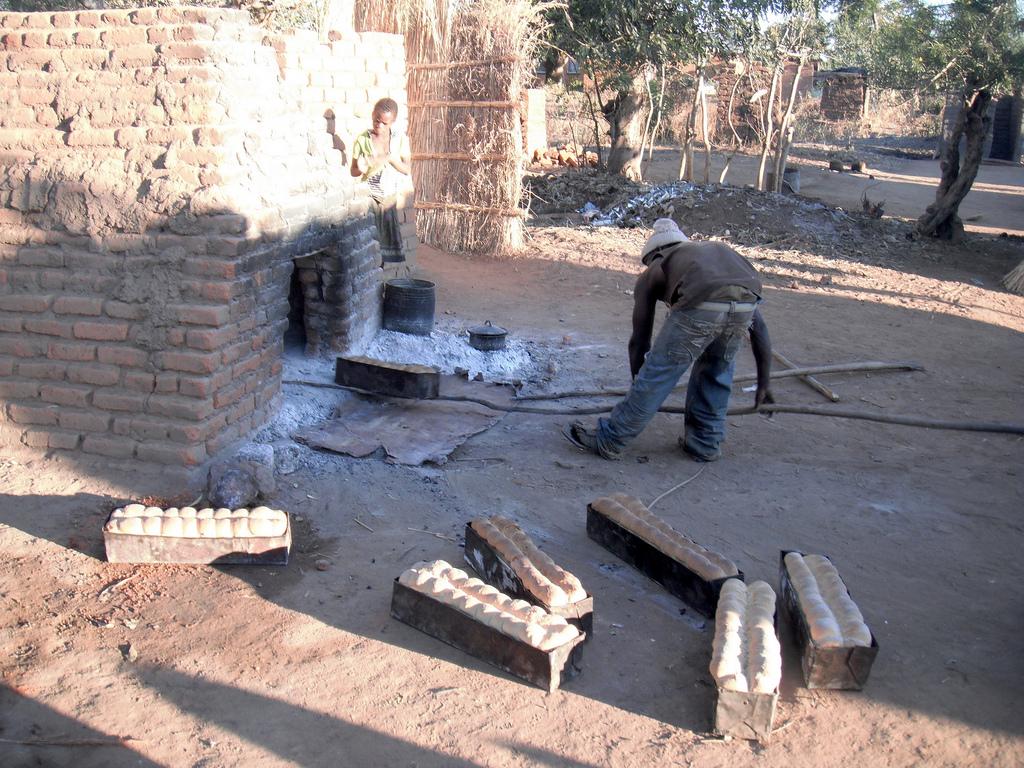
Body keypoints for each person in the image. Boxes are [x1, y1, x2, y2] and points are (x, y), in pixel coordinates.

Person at [563, 218, 774, 462]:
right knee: (717, 371)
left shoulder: (657, 266)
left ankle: (611, 439)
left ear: (655, 253)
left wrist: (640, 380)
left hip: (699, 307)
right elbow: (760, 330)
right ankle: (705, 443)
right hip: (745, 306)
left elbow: (640, 341)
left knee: (659, 371)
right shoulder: (708, 260)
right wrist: (764, 383)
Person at [351, 97, 412, 263]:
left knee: (384, 250)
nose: (379, 125)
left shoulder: (399, 139)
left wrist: (391, 159)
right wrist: (367, 163)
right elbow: (354, 171)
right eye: (376, 120)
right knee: (369, 246)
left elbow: (407, 169)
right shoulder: (363, 139)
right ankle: (371, 282)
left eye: (384, 123)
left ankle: (379, 281)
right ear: (372, 115)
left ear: (392, 122)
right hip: (369, 200)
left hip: (388, 200)